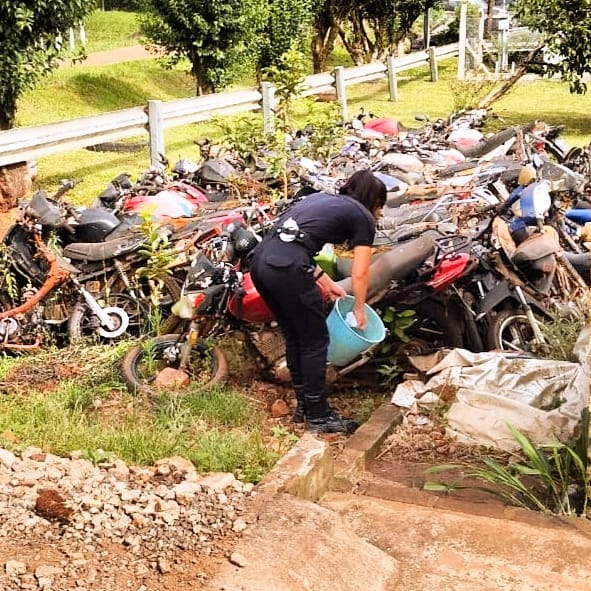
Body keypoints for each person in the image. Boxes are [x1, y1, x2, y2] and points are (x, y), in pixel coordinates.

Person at [249, 169, 387, 434]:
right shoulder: (363, 217)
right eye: (380, 208)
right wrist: (359, 307)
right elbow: (360, 272)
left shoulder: (321, 200)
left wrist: (326, 282)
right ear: (374, 203)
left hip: (261, 263)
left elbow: (293, 241)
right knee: (315, 341)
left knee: (295, 336)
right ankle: (318, 415)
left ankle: (304, 406)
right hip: (287, 268)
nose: (379, 214)